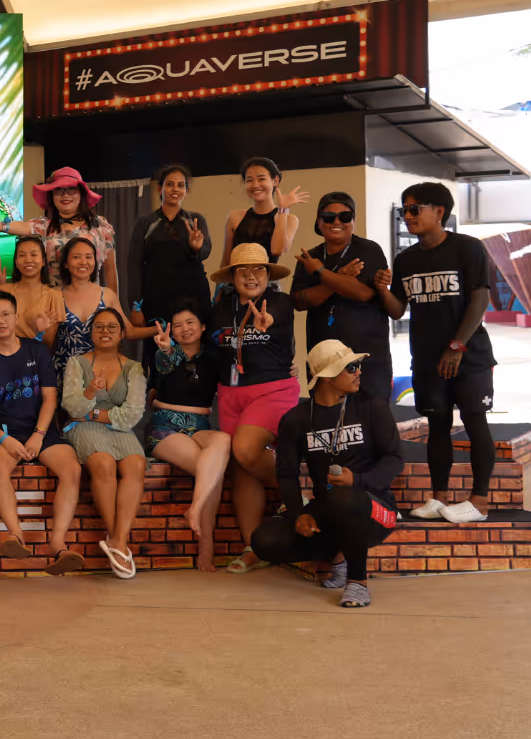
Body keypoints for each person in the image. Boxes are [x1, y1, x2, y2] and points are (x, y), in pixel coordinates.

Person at [376, 182, 498, 523]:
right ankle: (439, 499)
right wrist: (382, 290)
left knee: (475, 421)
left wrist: (456, 347)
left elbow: (480, 299)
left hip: (470, 357)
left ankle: (479, 502)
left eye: (415, 209)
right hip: (427, 360)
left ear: (439, 211)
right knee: (437, 425)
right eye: (405, 210)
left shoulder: (468, 248)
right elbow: (398, 310)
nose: (408, 216)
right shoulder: (406, 260)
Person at [252, 340, 405, 609]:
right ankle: (340, 554)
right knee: (264, 540)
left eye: (357, 365)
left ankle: (357, 582)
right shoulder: (297, 419)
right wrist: (299, 514)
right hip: (329, 510)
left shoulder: (371, 407)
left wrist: (357, 481)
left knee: (345, 496)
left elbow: (394, 459)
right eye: (351, 367)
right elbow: (286, 473)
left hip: (376, 510)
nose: (359, 371)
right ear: (328, 376)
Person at [0, 290, 82, 573]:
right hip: (3, 434)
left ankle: (58, 544)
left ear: (16, 317)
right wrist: (5, 440)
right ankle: (15, 535)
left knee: (72, 469)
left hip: (40, 430)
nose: (1, 321)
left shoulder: (37, 350)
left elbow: (50, 399)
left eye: (6, 314)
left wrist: (39, 434)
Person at [211, 243, 301, 575]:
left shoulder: (279, 302)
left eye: (258, 269)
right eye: (243, 270)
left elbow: (275, 324)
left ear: (268, 274)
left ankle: (299, 493)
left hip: (272, 390)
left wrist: (265, 323)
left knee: (246, 448)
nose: (251, 276)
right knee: (242, 466)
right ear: (232, 276)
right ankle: (254, 547)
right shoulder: (220, 307)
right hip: (230, 393)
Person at [61, 308, 149, 578]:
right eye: (99, 327)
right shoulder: (77, 363)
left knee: (136, 464)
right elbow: (72, 407)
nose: (105, 332)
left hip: (120, 429)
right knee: (103, 462)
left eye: (112, 327)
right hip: (82, 428)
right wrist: (89, 392)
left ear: (122, 333)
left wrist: (95, 413)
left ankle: (118, 539)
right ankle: (118, 541)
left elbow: (132, 414)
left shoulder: (134, 368)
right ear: (91, 333)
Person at [144, 303, 232, 570]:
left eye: (190, 322)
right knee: (213, 471)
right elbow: (165, 364)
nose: (185, 329)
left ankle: (195, 508)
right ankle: (207, 543)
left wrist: (287, 371)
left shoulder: (214, 357)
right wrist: (165, 348)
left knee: (223, 441)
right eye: (178, 325)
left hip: (200, 425)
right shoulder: (164, 352)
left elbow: (243, 372)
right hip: (165, 426)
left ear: (203, 326)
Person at [291, 192, 391, 401]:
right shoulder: (310, 256)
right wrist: (339, 277)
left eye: (344, 217)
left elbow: (362, 292)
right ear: (318, 222)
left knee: (371, 417)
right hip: (324, 361)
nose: (337, 222)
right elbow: (299, 301)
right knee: (326, 417)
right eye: (329, 217)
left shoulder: (368, 250)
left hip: (368, 358)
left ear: (353, 220)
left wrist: (320, 272)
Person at [0, 165, 116, 291]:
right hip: (53, 300)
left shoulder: (100, 225)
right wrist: (1, 226)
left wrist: (115, 300)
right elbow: (24, 227)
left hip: (91, 299)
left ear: (81, 194)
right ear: (52, 197)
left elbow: (110, 268)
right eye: (58, 190)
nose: (65, 195)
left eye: (71, 189)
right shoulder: (44, 225)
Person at [51, 235, 148, 388]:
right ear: (66, 264)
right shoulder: (55, 295)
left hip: (100, 374)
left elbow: (129, 331)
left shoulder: (107, 295)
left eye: (89, 257)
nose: (83, 262)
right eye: (76, 257)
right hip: (64, 373)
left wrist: (163, 329)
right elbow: (46, 341)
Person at [127, 164, 212, 330]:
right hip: (155, 300)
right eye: (170, 184)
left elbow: (205, 252)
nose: (175, 189)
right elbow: (134, 267)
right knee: (157, 344)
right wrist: (135, 307)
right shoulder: (144, 223)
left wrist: (196, 247)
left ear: (187, 191)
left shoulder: (196, 220)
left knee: (194, 344)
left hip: (193, 298)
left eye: (181, 185)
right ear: (160, 189)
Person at [220, 157, 306, 273]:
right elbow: (226, 260)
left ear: (275, 181)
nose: (255, 185)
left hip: (267, 280)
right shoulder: (234, 217)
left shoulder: (289, 219)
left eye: (261, 179)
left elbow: (277, 250)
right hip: (237, 280)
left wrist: (283, 210)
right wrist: (221, 283)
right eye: (249, 180)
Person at [0, 235, 65, 351]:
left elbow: (48, 345)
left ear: (43, 261)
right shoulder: (3, 291)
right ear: (16, 262)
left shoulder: (54, 296)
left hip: (36, 360)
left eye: (33, 255)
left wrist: (40, 333)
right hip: (2, 357)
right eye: (22, 255)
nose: (28, 260)